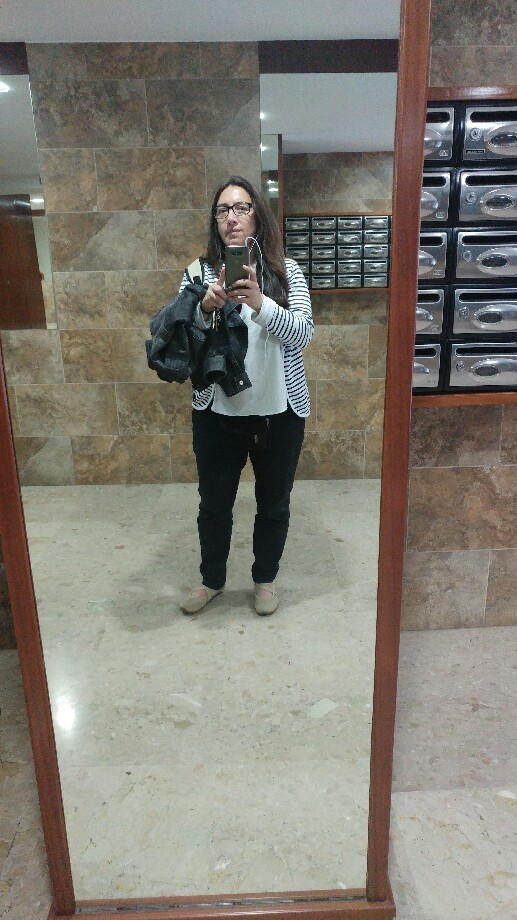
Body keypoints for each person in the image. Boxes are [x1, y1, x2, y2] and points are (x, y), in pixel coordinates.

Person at [179, 176, 313, 616]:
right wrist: (203, 309)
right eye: (223, 210)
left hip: (280, 413)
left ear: (258, 215)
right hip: (217, 413)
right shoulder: (197, 274)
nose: (232, 218)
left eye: (241, 208)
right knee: (214, 505)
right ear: (214, 221)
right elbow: (182, 339)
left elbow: (303, 334)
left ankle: (265, 580)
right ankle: (211, 580)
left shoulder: (286, 271)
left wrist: (261, 303)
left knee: (273, 504)